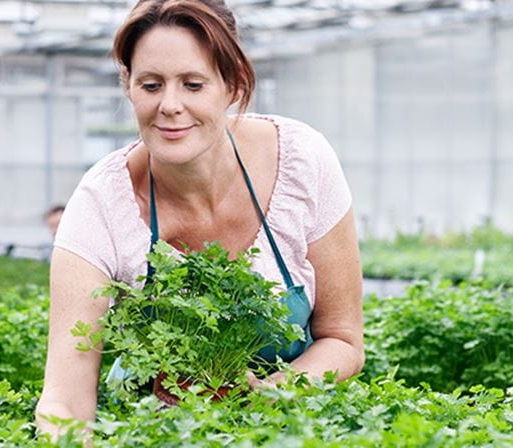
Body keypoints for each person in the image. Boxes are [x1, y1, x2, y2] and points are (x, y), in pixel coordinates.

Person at [35, 0, 363, 438]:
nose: (170, 105)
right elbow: (65, 400)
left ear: (234, 83)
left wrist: (272, 394)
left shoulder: (303, 162)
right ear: (128, 86)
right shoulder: (101, 205)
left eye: (193, 84)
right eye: (151, 85)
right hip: (149, 433)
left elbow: (342, 339)